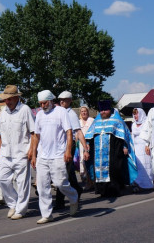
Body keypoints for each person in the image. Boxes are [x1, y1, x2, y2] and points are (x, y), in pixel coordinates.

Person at [31, 90, 78, 224]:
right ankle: (47, 214)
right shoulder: (39, 115)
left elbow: (69, 132)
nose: (43, 105)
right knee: (42, 186)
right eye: (40, 103)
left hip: (58, 154)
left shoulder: (61, 112)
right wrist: (34, 155)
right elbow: (36, 136)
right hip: (43, 156)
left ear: (51, 100)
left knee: (60, 183)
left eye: (45, 102)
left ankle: (73, 197)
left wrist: (68, 151)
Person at [0, 85, 35, 220]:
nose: (7, 102)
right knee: (1, 178)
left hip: (21, 152)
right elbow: (1, 134)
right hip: (6, 153)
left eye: (10, 99)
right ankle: (13, 203)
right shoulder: (3, 112)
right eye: (5, 99)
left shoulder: (25, 110)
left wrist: (32, 151)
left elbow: (33, 132)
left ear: (17, 97)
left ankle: (21, 210)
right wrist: (0, 152)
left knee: (22, 183)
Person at [84, 100, 138, 197]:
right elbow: (89, 135)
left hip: (113, 151)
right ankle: (102, 190)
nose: (103, 112)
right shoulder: (96, 121)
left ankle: (114, 190)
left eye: (105, 110)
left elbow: (124, 135)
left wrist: (125, 146)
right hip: (98, 152)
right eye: (101, 110)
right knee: (99, 169)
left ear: (110, 109)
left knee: (114, 170)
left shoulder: (117, 120)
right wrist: (87, 144)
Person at [55, 91, 88, 210]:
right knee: (68, 173)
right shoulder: (58, 112)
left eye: (64, 99)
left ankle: (59, 202)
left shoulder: (71, 114)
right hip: (59, 146)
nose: (62, 101)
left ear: (70, 101)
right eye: (60, 99)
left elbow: (78, 131)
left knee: (62, 172)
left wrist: (85, 148)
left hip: (69, 145)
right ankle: (77, 189)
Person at [131, 107, 154, 191]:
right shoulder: (133, 124)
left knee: (146, 164)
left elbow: (149, 134)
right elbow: (133, 136)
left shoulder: (146, 123)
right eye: (134, 114)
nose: (135, 115)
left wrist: (147, 145)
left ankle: (148, 183)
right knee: (138, 165)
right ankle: (139, 183)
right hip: (136, 148)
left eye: (136, 113)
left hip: (144, 146)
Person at [79, 105, 94, 190]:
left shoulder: (91, 120)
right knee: (82, 162)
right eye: (82, 111)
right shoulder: (79, 122)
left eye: (85, 111)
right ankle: (87, 180)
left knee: (89, 162)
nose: (84, 112)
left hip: (90, 144)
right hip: (81, 145)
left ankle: (91, 182)